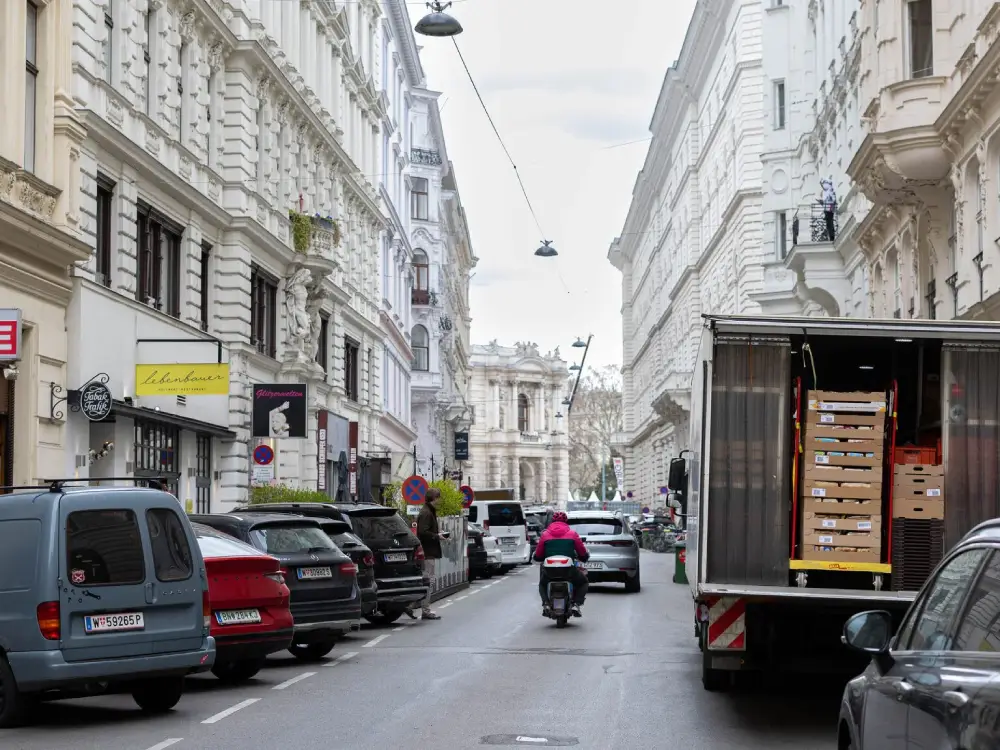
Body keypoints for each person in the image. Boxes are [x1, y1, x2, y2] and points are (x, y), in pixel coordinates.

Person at [533, 511, 589, 617]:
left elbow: (539, 554)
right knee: (583, 582)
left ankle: (545, 603)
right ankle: (576, 603)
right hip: (568, 571)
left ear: (552, 521)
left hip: (550, 571)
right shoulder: (572, 534)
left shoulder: (545, 535)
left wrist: (538, 557)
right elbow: (582, 552)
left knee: (542, 584)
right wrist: (584, 557)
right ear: (566, 522)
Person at [410, 487, 446, 621]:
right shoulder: (427, 513)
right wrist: (437, 536)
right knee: (428, 581)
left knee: (426, 581)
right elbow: (423, 533)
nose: (440, 500)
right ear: (434, 498)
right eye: (438, 497)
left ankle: (412, 605)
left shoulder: (428, 511)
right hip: (427, 552)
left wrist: (437, 534)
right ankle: (423, 609)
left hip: (428, 551)